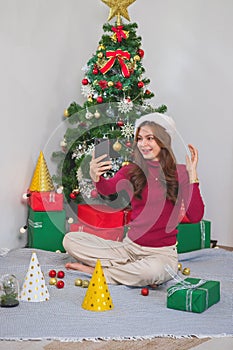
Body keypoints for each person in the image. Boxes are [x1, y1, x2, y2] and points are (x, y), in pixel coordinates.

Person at [63, 113, 205, 287]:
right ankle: (127, 270)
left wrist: (193, 177)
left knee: (152, 271)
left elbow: (195, 215)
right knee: (70, 240)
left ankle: (100, 272)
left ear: (163, 141)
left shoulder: (180, 172)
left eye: (149, 138)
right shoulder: (132, 170)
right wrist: (96, 176)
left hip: (161, 254)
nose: (143, 144)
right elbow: (108, 189)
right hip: (128, 248)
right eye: (139, 138)